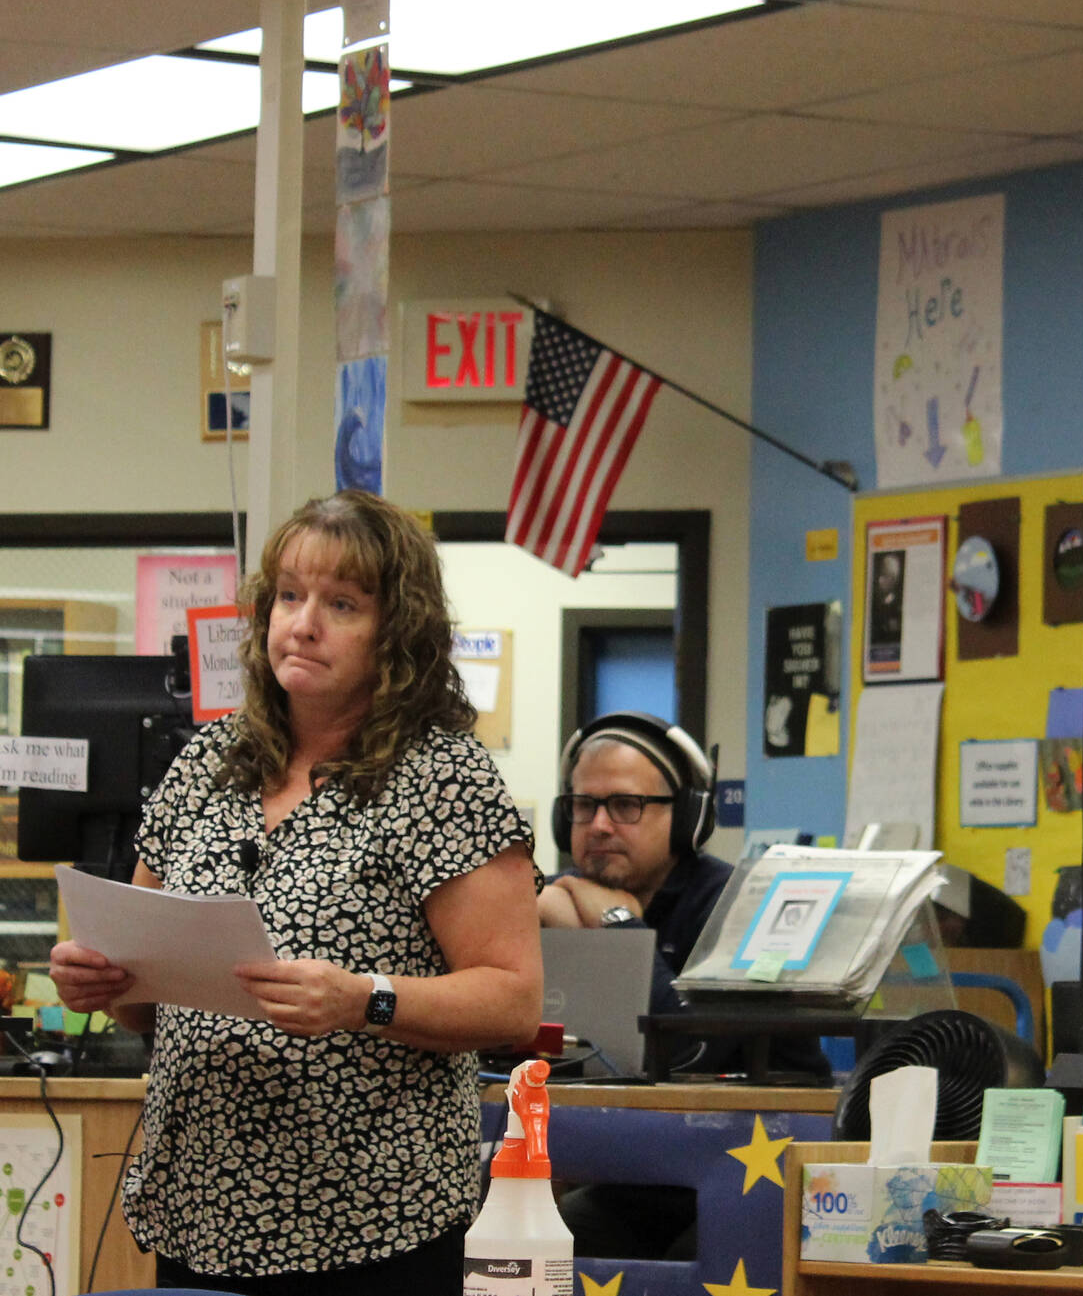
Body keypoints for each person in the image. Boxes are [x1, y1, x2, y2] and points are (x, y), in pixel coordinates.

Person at [48, 490, 544, 1296]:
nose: (303, 622)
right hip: (202, 1207)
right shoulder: (207, 762)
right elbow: (144, 985)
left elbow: (513, 1000)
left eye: (341, 603)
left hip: (374, 1220)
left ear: (397, 632)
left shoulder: (441, 777)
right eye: (288, 595)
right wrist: (102, 982)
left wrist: (365, 999)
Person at [539, 712, 828, 1262]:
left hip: (761, 1168)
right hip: (641, 1169)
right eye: (583, 805)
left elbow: (692, 1049)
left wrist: (621, 929)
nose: (599, 824)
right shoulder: (559, 898)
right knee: (549, 1247)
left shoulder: (741, 903)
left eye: (625, 806)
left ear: (689, 817)